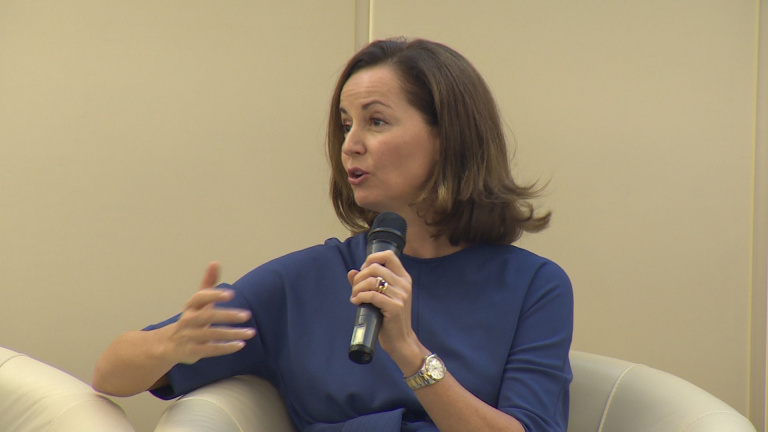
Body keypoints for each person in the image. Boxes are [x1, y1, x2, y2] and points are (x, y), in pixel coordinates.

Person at [93, 37, 573, 432]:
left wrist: (409, 353)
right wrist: (173, 342)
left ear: (447, 136)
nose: (350, 145)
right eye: (345, 126)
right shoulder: (307, 280)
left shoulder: (534, 287)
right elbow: (110, 373)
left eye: (376, 121)